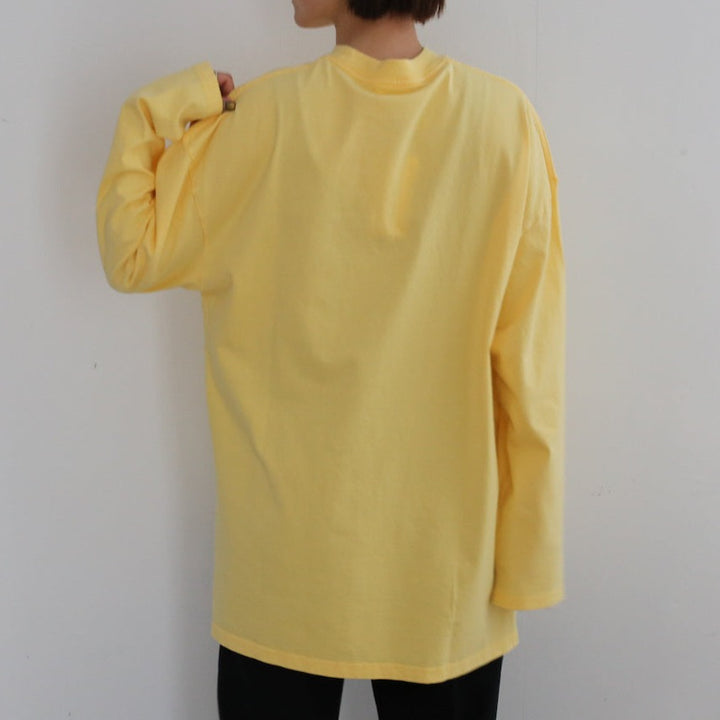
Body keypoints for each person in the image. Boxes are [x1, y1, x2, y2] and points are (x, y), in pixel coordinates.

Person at [95, 0, 566, 717]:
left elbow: (131, 252)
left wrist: (157, 108)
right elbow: (529, 365)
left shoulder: (257, 119)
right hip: (443, 572)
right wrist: (528, 558)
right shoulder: (504, 121)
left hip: (283, 572)